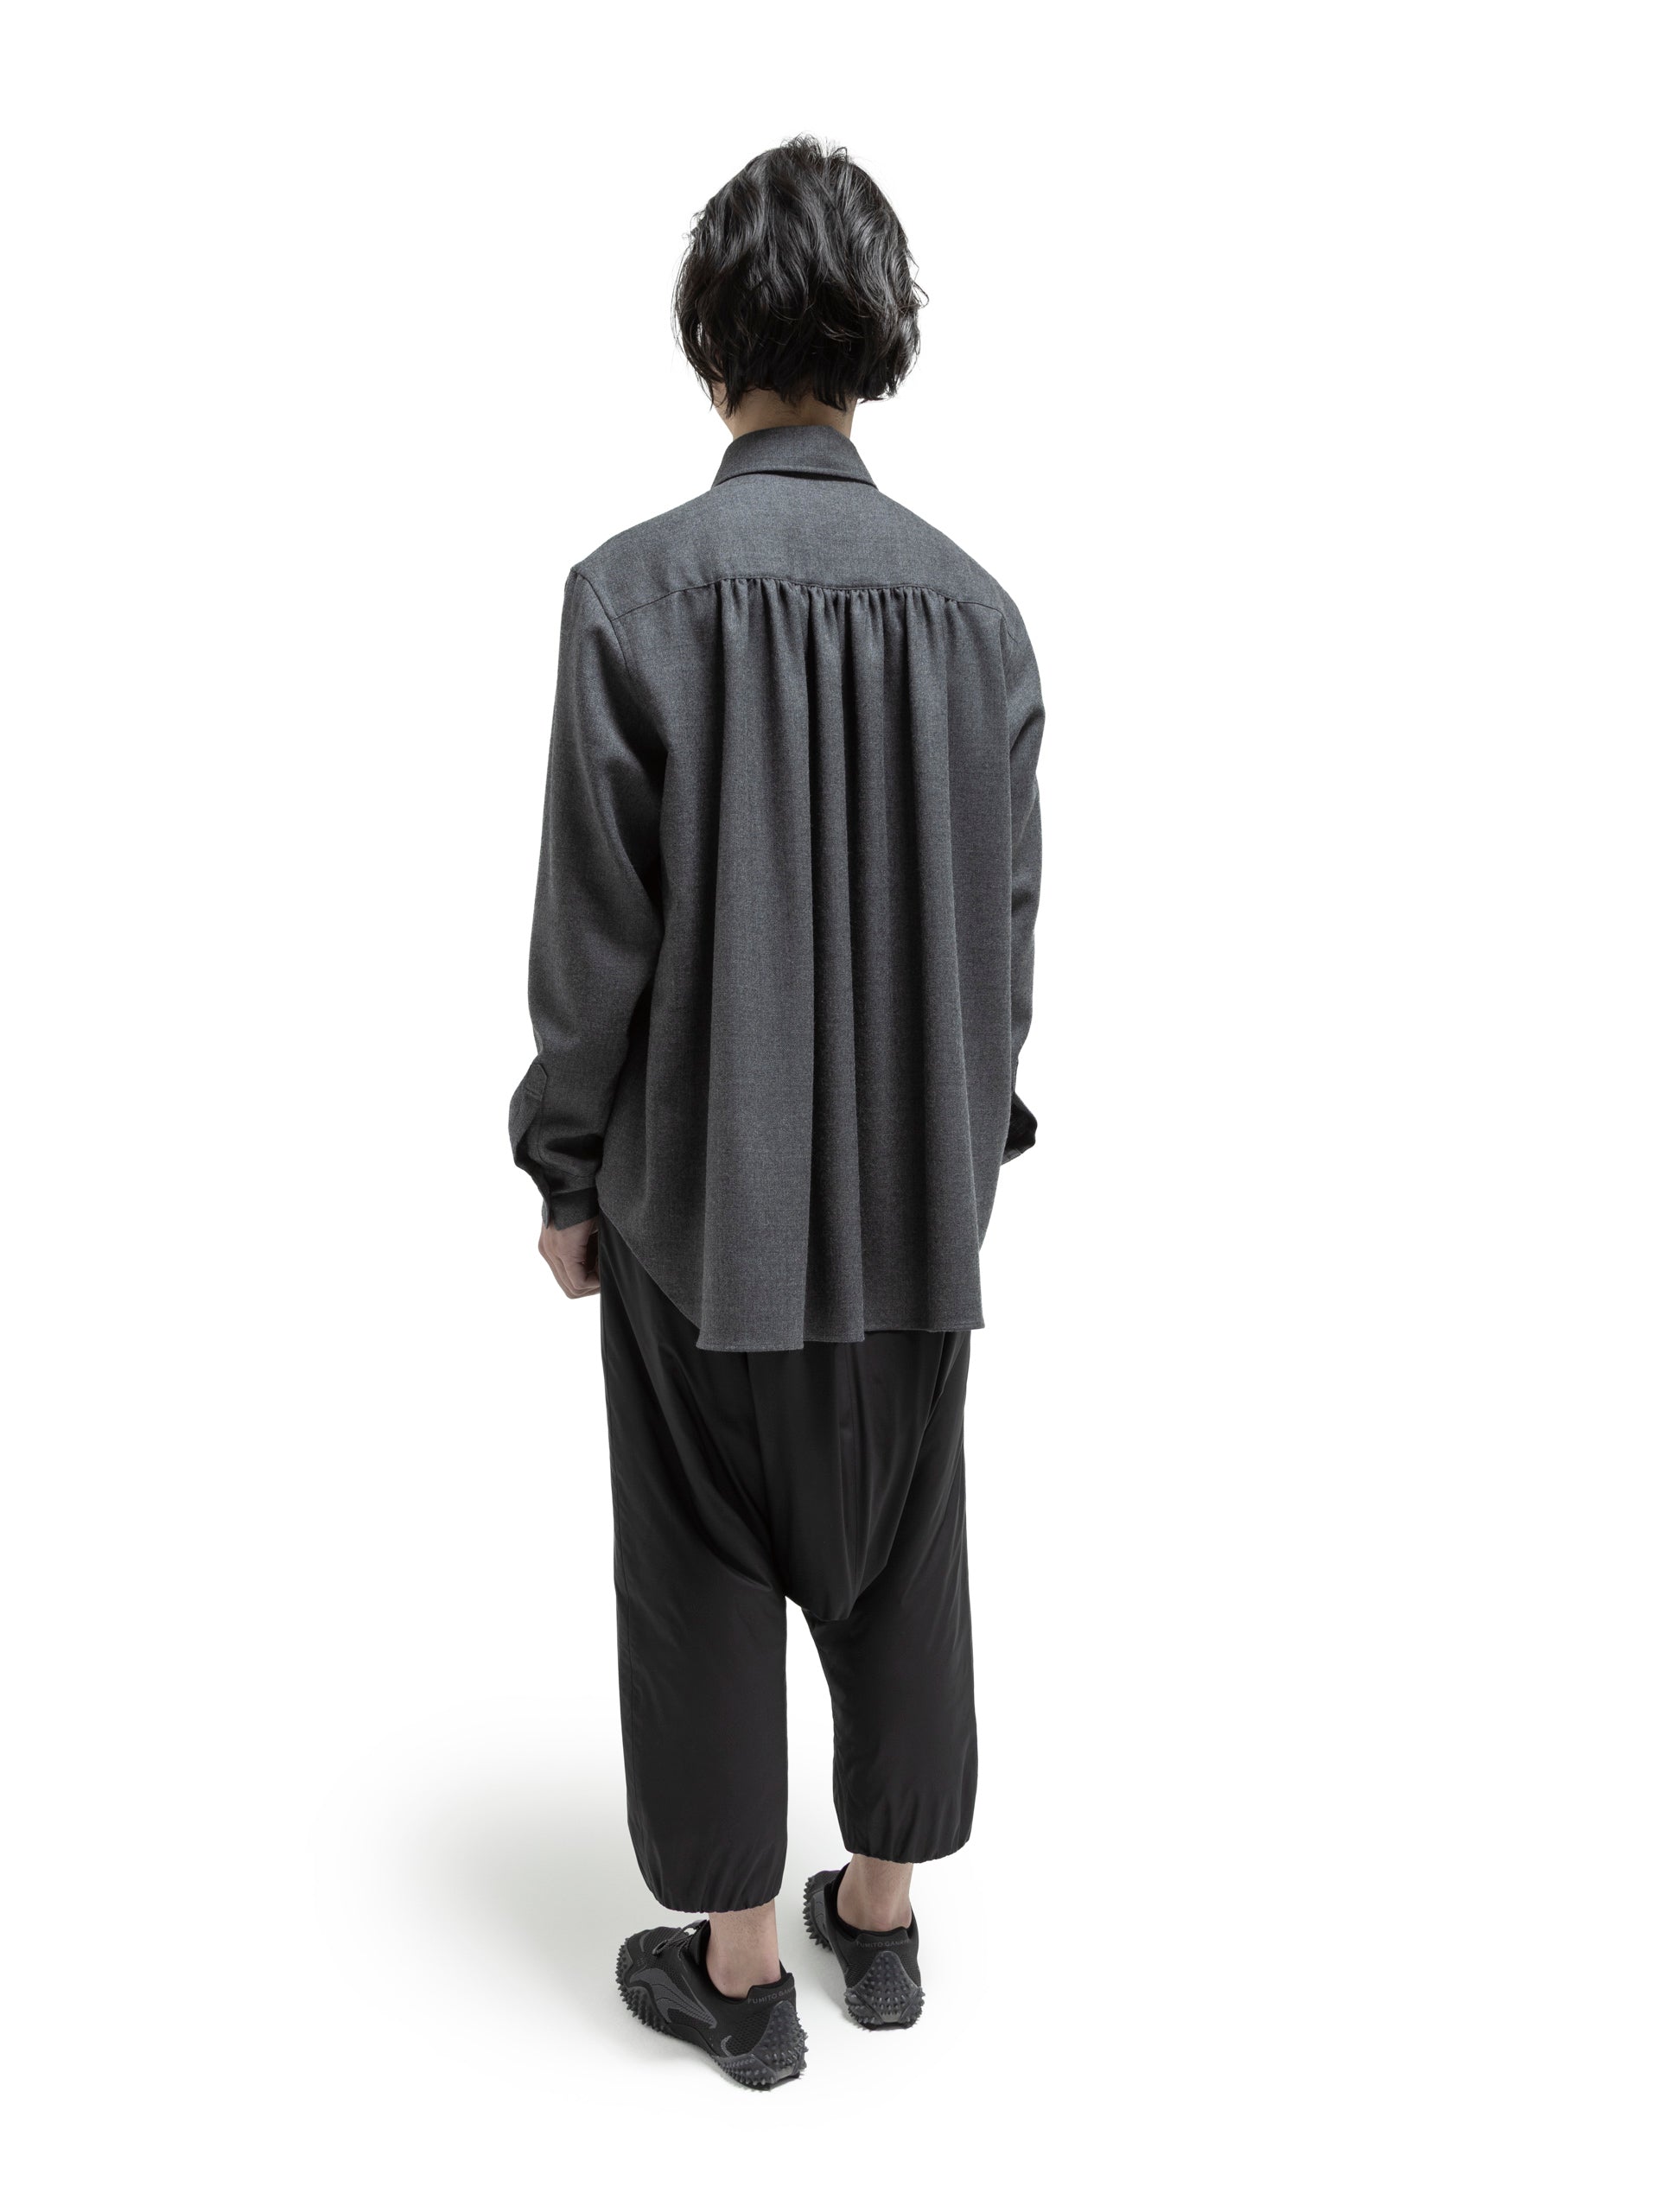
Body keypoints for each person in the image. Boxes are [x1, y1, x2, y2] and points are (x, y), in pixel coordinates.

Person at [507, 135, 1046, 2089]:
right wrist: (965, 1154)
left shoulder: (631, 597)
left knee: (701, 1556)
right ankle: (878, 1921)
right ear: (881, 334)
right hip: (917, 1209)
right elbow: (1004, 935)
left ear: (706, 335)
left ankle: (738, 1970)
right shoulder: (980, 618)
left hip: (692, 1212)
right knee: (904, 1540)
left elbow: (595, 940)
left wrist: (566, 1166)